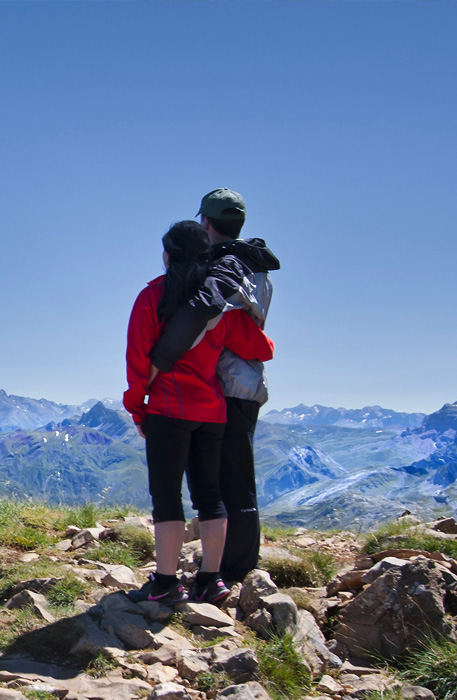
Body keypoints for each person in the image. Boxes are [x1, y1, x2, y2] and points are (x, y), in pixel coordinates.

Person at [124, 220, 274, 605]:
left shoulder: (150, 298)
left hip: (166, 410)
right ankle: (210, 580)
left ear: (168, 255)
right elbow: (262, 348)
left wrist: (137, 409)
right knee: (210, 496)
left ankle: (165, 583)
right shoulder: (219, 304)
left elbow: (139, 362)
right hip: (212, 411)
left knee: (167, 498)